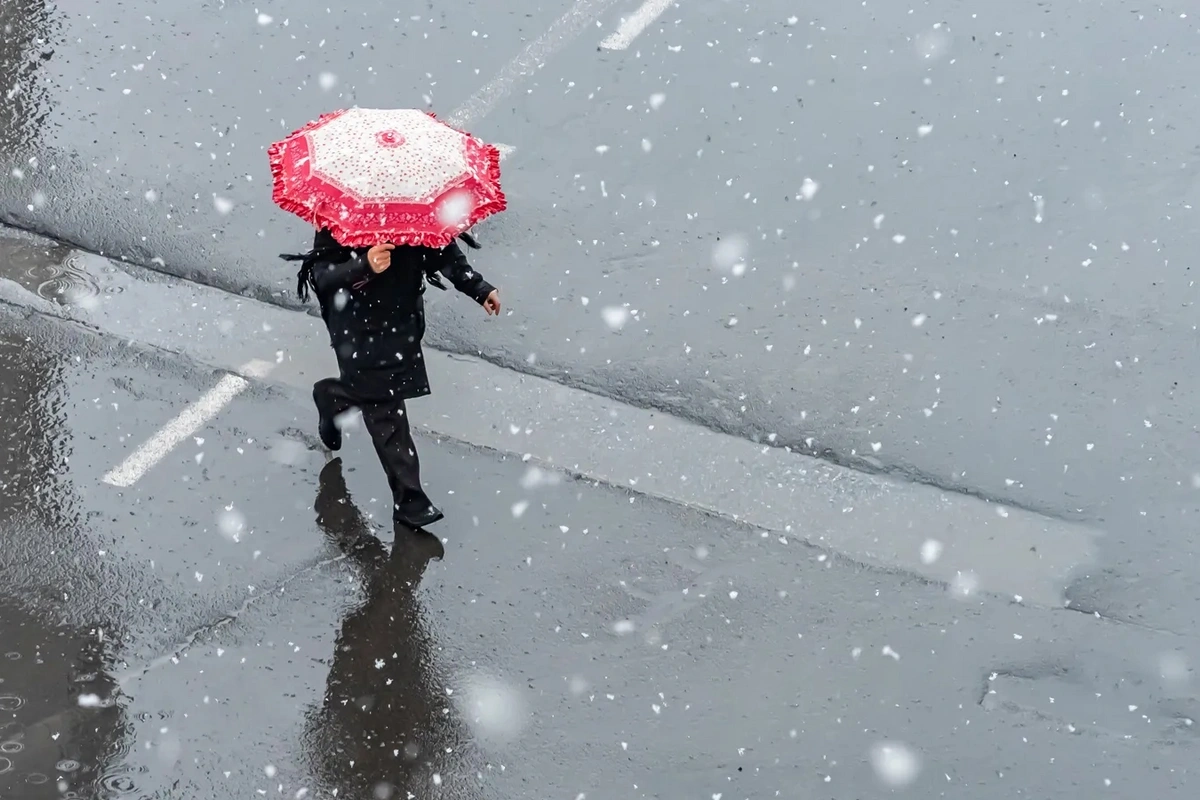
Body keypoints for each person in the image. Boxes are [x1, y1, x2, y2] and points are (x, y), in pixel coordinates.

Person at [281, 228, 500, 528]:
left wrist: (478, 287)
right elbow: (324, 277)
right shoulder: (341, 219)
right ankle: (411, 500)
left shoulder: (412, 211)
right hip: (356, 330)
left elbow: (441, 248)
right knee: (385, 409)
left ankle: (333, 397)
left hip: (400, 324)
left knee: (376, 397)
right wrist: (364, 264)